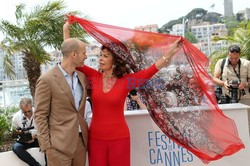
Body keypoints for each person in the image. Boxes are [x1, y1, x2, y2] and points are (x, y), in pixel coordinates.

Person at [64, 19, 182, 166]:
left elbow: (150, 71)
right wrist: (66, 30)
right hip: (95, 139)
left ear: (115, 61)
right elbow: (71, 56)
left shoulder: (126, 81)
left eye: (105, 56)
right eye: (101, 55)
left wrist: (169, 53)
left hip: (119, 138)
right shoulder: (93, 77)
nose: (100, 59)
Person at [34, 38, 88, 166]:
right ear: (74, 55)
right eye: (84, 53)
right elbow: (40, 115)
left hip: (81, 143)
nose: (86, 56)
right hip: (58, 147)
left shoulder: (82, 77)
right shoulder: (47, 79)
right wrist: (47, 146)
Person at [213, 45, 250, 127]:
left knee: (246, 124)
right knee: (229, 125)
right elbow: (214, 78)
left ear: (239, 54)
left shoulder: (247, 64)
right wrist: (223, 83)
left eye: (236, 58)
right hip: (227, 98)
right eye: (231, 58)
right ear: (228, 54)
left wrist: (245, 84)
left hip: (244, 99)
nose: (233, 60)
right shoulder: (221, 62)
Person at [12, 98, 42, 166]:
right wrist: (19, 134)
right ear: (21, 109)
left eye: (29, 111)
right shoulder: (16, 117)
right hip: (25, 140)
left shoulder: (39, 113)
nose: (27, 114)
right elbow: (14, 135)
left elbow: (46, 129)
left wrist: (35, 136)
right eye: (25, 112)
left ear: (32, 106)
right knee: (16, 147)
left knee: (48, 143)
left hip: (38, 138)